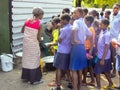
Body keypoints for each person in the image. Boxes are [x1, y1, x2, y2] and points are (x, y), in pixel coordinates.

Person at [69, 7, 92, 90]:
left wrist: (74, 39)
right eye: (73, 13)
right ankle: (79, 87)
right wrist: (83, 39)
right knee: (80, 69)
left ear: (81, 14)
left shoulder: (76, 21)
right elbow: (89, 35)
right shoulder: (83, 23)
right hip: (82, 47)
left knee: (74, 69)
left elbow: (74, 29)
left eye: (75, 13)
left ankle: (75, 88)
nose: (73, 14)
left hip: (77, 47)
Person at [21, 7, 44, 85]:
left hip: (26, 43)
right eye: (42, 14)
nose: (42, 16)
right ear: (40, 14)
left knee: (26, 59)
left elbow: (22, 31)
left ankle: (26, 77)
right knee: (34, 60)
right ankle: (34, 80)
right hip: (33, 44)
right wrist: (41, 40)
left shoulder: (27, 20)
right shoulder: (40, 24)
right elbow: (38, 37)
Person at [53, 13, 72, 90]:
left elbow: (59, 40)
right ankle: (70, 82)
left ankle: (58, 85)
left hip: (62, 51)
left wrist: (58, 29)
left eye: (61, 20)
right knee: (67, 68)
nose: (60, 21)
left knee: (58, 68)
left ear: (65, 20)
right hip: (69, 50)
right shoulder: (72, 27)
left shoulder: (64, 29)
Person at [94, 19, 114, 89]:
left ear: (105, 25)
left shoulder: (107, 34)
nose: (100, 26)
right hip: (100, 55)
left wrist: (102, 59)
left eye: (101, 24)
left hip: (103, 57)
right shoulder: (102, 32)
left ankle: (98, 86)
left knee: (97, 72)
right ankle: (111, 83)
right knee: (105, 71)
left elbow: (106, 47)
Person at [82, 15, 95, 86]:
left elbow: (92, 41)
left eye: (85, 21)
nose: (84, 22)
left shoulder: (90, 29)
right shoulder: (89, 28)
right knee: (88, 66)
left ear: (88, 21)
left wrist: (90, 52)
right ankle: (88, 79)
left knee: (88, 66)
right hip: (87, 49)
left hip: (89, 49)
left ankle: (86, 80)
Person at [110, 3, 120, 78]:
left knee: (115, 55)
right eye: (114, 8)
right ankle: (111, 69)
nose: (115, 9)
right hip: (110, 38)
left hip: (116, 39)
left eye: (117, 8)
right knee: (110, 55)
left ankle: (114, 71)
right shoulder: (111, 16)